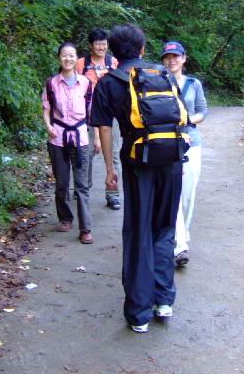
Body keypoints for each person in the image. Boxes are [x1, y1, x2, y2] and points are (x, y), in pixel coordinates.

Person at [90, 24, 184, 333]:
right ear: (142, 49)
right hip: (172, 160)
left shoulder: (109, 82)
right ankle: (164, 301)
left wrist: (110, 169)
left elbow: (104, 129)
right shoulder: (162, 74)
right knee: (164, 229)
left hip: (138, 163)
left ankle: (139, 313)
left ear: (114, 53)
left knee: (138, 232)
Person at [161, 41, 208, 267]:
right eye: (168, 56)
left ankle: (183, 235)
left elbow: (202, 111)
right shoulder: (159, 82)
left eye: (176, 56)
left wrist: (187, 121)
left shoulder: (193, 84)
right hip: (166, 143)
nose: (172, 60)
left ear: (183, 58)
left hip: (192, 143)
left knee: (188, 195)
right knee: (174, 193)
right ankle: (180, 246)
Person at [42, 42, 94, 244]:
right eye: (64, 55)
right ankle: (65, 218)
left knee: (81, 185)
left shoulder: (86, 83)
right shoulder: (51, 84)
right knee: (62, 183)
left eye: (72, 55)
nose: (68, 59)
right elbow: (46, 110)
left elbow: (91, 113)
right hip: (58, 138)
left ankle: (85, 229)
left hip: (80, 138)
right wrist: (48, 126)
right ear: (59, 58)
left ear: (76, 58)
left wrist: (97, 138)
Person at [75, 28, 122, 210]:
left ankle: (113, 194)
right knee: (85, 154)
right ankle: (83, 190)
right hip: (85, 116)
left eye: (104, 44)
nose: (101, 47)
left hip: (111, 115)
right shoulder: (81, 64)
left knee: (114, 154)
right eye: (98, 44)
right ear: (90, 45)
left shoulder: (113, 62)